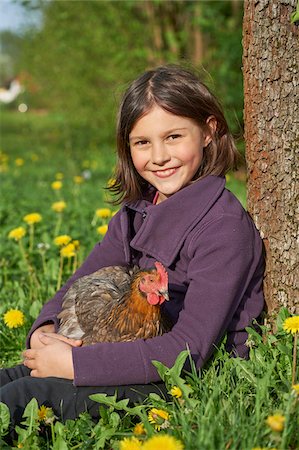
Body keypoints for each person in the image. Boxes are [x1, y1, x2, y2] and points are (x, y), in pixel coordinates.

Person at [0, 65, 264, 434]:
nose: (158, 156)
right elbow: (80, 281)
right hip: (126, 352)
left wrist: (76, 364)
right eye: (142, 142)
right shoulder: (138, 210)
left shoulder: (223, 229)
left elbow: (190, 351)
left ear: (208, 131)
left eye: (173, 136)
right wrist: (45, 328)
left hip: (176, 378)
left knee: (24, 397)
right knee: (9, 378)